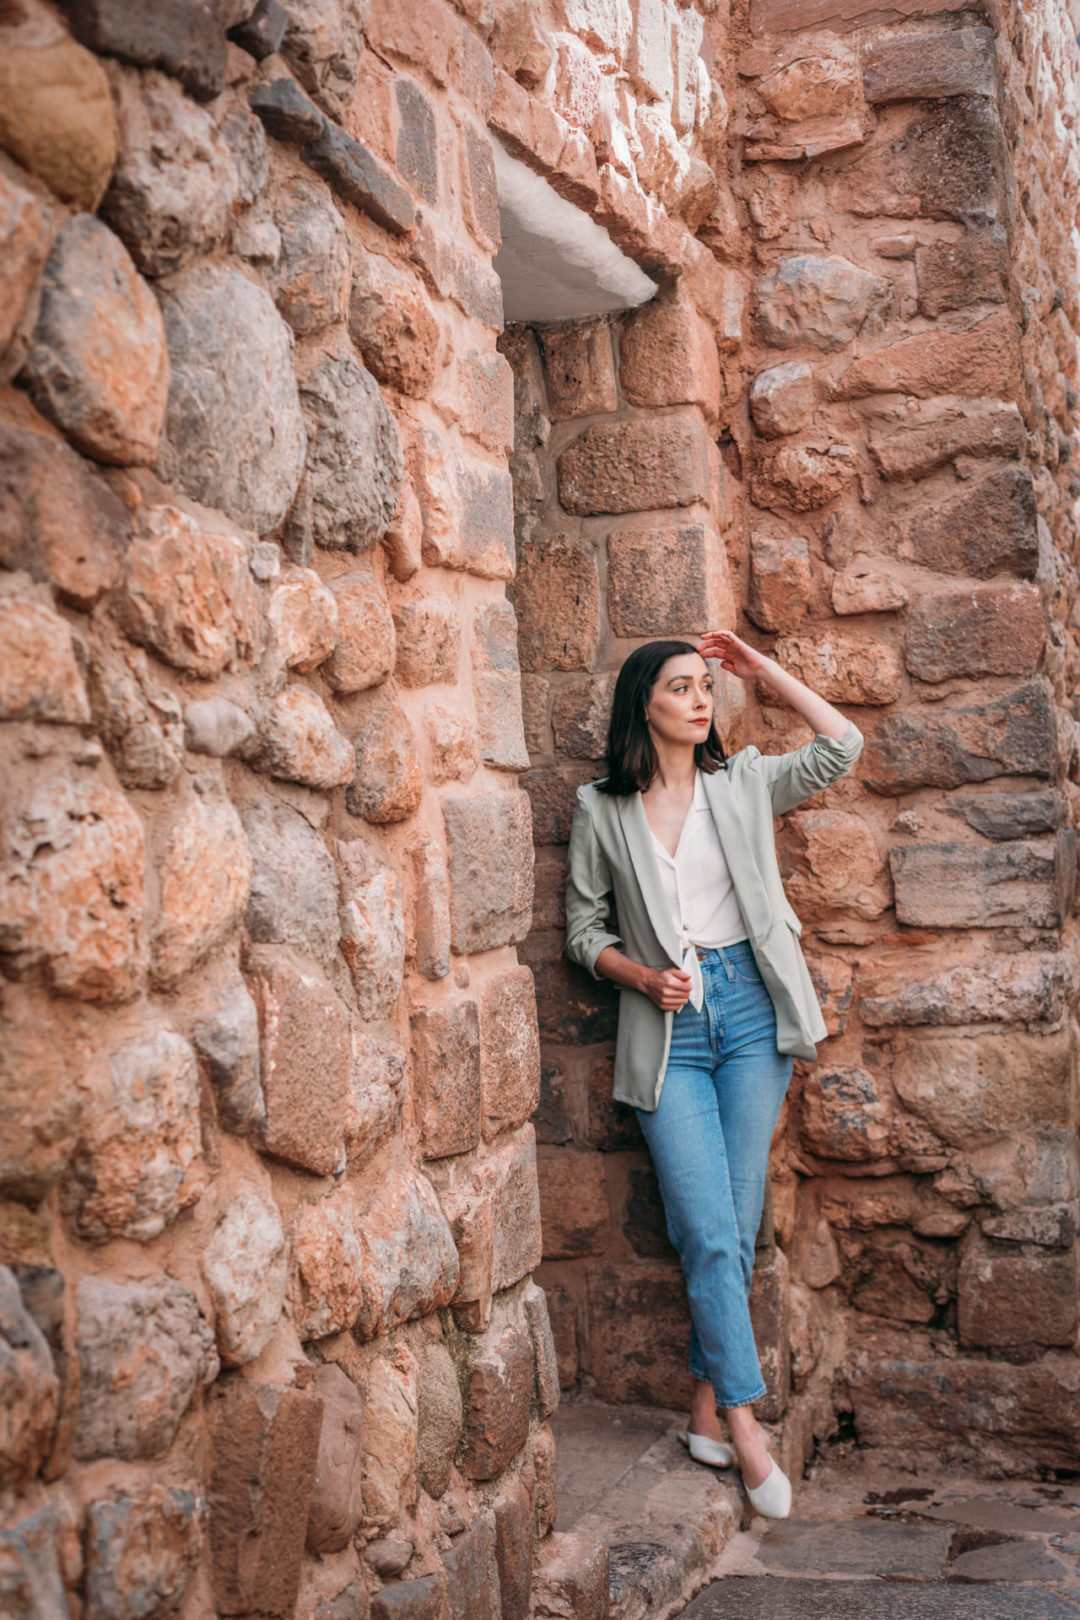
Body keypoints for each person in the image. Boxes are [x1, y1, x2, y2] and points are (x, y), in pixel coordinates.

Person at [563, 630, 863, 1520]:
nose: (701, 701)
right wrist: (642, 976)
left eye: (706, 687)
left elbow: (843, 745)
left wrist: (764, 671)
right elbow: (584, 933)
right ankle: (744, 1418)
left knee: (731, 1225)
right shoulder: (601, 808)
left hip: (749, 1014)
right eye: (682, 688)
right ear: (642, 706)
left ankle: (705, 1406)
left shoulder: (743, 783)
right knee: (708, 1229)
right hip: (667, 1032)